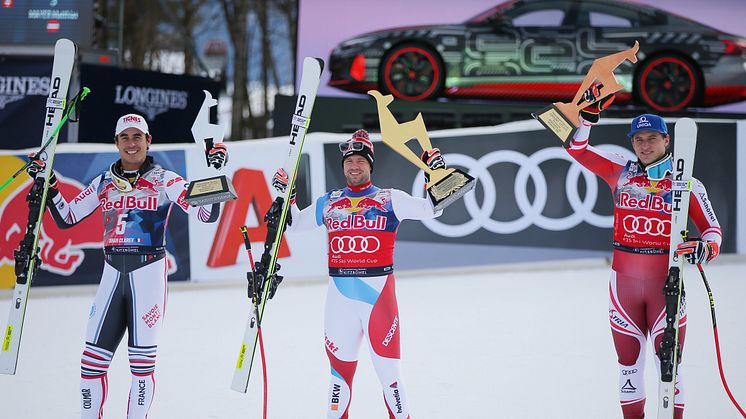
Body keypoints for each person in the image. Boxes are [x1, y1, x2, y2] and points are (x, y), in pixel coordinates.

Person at [25, 113, 227, 419]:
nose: (131, 144)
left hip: (147, 278)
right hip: (111, 277)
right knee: (90, 365)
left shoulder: (165, 179)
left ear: (149, 141)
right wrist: (49, 182)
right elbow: (67, 217)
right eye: (125, 137)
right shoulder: (103, 182)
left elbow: (205, 215)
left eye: (137, 137)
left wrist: (216, 169)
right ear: (116, 142)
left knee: (141, 368)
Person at [565, 92, 722, 419]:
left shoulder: (686, 184)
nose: (645, 145)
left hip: (666, 286)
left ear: (667, 140)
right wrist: (585, 122)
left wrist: (702, 249)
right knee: (627, 367)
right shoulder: (620, 171)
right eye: (639, 139)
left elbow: (713, 233)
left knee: (671, 368)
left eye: (652, 138)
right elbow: (576, 150)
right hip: (623, 286)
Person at [271, 129, 445, 418]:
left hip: (379, 301)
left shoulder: (391, 198)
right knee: (339, 376)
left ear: (370, 165)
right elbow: (293, 225)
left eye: (361, 161)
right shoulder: (329, 201)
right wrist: (285, 195)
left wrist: (434, 174)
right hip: (339, 300)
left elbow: (431, 209)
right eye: (349, 160)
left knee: (390, 376)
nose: (354, 165)